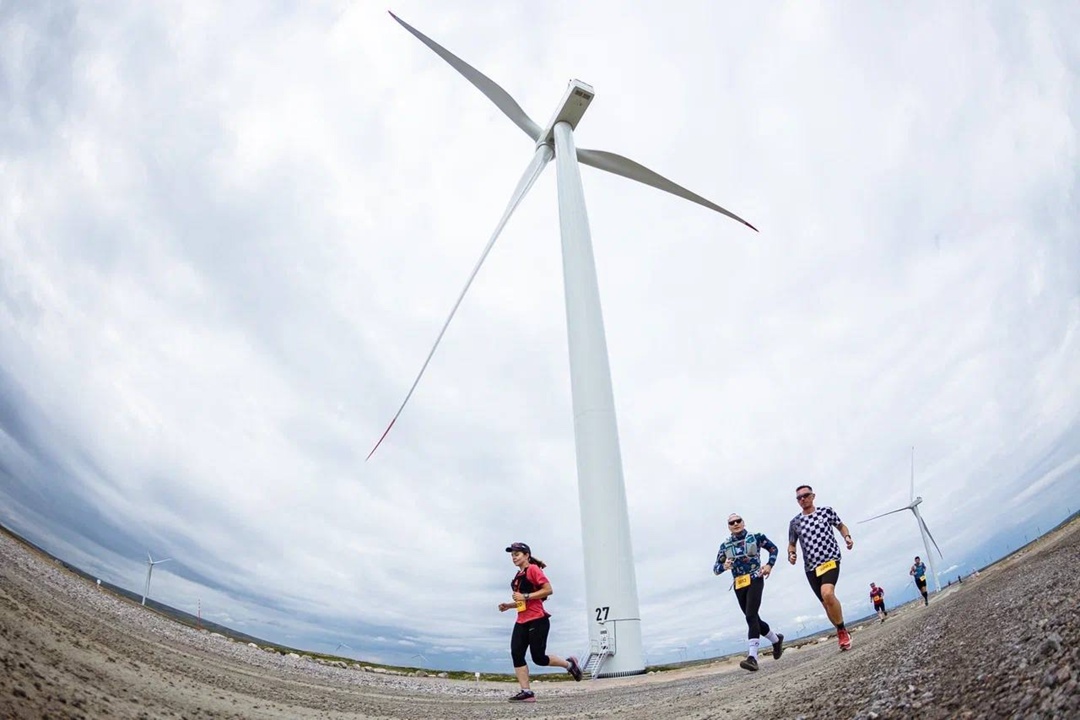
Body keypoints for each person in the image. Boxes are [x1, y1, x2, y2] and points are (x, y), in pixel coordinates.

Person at [498, 542, 582, 702]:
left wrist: (525, 596)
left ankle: (570, 665)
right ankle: (526, 692)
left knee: (539, 658)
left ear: (526, 555)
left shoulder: (533, 569)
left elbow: (548, 589)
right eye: (512, 555)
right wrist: (508, 606)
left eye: (517, 554)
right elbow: (523, 602)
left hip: (538, 619)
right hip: (521, 620)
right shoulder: (517, 577)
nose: (514, 557)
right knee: (516, 653)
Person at [713, 513, 784, 671]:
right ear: (729, 526)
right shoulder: (725, 546)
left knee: (750, 616)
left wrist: (769, 565)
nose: (735, 524)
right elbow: (715, 569)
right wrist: (724, 566)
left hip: (755, 579)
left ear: (743, 522)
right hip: (739, 584)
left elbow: (773, 548)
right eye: (732, 522)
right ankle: (776, 640)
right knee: (754, 619)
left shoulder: (756, 537)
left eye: (738, 521)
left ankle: (752, 658)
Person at [787, 485, 855, 651]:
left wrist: (847, 537)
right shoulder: (795, 522)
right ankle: (842, 631)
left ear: (813, 496)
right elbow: (791, 544)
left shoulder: (826, 512)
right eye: (799, 498)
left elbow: (841, 526)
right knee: (826, 604)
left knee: (828, 593)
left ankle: (842, 631)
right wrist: (791, 554)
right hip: (811, 568)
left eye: (806, 495)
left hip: (830, 560)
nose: (803, 499)